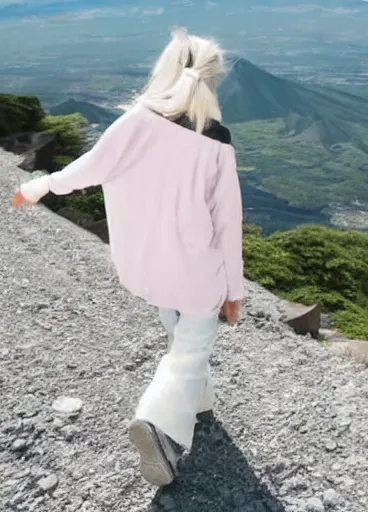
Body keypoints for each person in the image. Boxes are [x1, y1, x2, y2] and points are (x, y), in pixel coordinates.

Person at [11, 28, 244, 488]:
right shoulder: (217, 143)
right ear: (212, 80)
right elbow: (227, 225)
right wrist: (234, 292)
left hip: (145, 269)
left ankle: (197, 406)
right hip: (196, 272)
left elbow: (90, 167)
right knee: (190, 350)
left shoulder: (137, 120)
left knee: (181, 341)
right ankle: (157, 426)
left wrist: (37, 186)